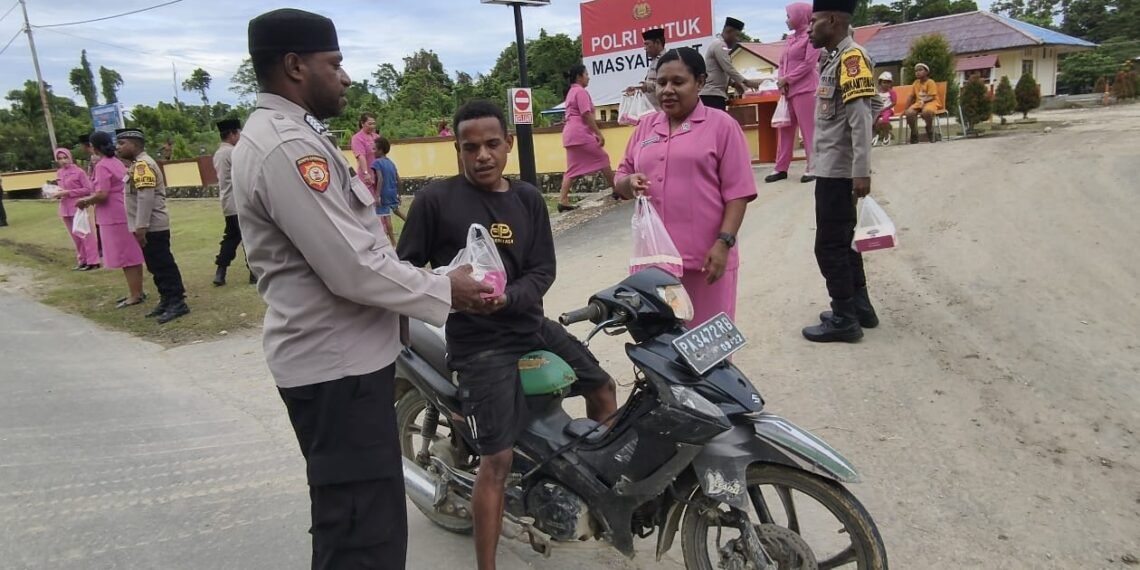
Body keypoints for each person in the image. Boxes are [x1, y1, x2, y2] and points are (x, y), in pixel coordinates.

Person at [232, 10, 490, 569]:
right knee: (360, 537)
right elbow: (354, 269)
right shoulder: (287, 150)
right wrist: (449, 289)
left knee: (357, 521)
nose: (345, 77)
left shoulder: (293, 136)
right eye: (335, 64)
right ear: (295, 66)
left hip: (342, 364)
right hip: (336, 371)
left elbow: (359, 253)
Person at [398, 99, 618, 570]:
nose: (482, 155)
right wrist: (443, 291)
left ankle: (597, 491)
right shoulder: (435, 201)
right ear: (457, 149)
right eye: (470, 147)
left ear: (508, 145)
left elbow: (543, 270)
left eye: (492, 144)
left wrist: (509, 299)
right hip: (479, 345)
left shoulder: (528, 199)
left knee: (603, 389)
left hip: (531, 327)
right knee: (496, 459)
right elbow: (402, 270)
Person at [614, 47, 758, 326]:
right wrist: (628, 183)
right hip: (655, 263)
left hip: (706, 262)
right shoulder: (645, 128)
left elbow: (738, 193)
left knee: (708, 347)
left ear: (700, 83)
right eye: (661, 82)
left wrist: (723, 243)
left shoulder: (722, 126)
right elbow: (621, 176)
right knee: (663, 345)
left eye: (678, 82)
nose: (667, 90)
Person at [801, 0, 880, 343]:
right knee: (845, 242)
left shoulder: (851, 58)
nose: (808, 28)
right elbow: (874, 104)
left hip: (838, 172)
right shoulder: (834, 58)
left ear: (832, 20)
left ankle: (844, 318)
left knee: (829, 245)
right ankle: (860, 307)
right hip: (833, 168)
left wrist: (860, 170)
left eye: (814, 21)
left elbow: (862, 117)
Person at [115, 128, 191, 324]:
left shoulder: (142, 165)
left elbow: (145, 197)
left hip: (152, 226)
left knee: (163, 264)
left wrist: (141, 226)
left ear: (134, 144)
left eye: (122, 143)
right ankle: (166, 299)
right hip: (147, 226)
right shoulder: (136, 165)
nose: (118, 147)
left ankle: (177, 302)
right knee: (155, 266)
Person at [76, 131, 146, 308]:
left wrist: (85, 201)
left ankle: (135, 294)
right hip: (124, 209)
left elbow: (102, 194)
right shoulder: (116, 162)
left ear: (93, 147)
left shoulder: (102, 166)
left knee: (126, 256)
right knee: (133, 255)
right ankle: (137, 290)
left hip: (113, 215)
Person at [768, 2, 822, 184]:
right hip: (788, 91)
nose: (786, 20)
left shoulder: (811, 36)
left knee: (808, 130)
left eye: (789, 16)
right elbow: (782, 62)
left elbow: (809, 64)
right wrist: (781, 80)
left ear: (799, 16)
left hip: (806, 89)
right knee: (784, 129)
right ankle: (781, 167)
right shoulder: (790, 39)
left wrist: (787, 79)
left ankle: (813, 167)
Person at [559, 64, 615, 212]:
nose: (588, 77)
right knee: (603, 158)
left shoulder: (570, 92)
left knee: (572, 169)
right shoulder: (581, 92)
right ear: (579, 76)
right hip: (580, 133)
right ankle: (617, 189)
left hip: (569, 135)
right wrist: (598, 133)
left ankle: (563, 199)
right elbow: (585, 113)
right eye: (586, 74)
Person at [211, 118, 255, 286]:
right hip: (238, 201)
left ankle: (220, 271)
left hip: (228, 202)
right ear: (232, 134)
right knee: (248, 237)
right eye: (239, 133)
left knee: (231, 238)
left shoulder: (219, 153)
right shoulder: (233, 152)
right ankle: (253, 272)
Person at [700, 17, 763, 111]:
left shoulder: (720, 46)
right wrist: (746, 82)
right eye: (736, 35)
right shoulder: (720, 45)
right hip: (712, 96)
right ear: (729, 31)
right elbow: (728, 68)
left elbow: (720, 71)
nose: (737, 39)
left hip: (715, 95)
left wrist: (734, 84)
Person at [53, 148, 100, 271]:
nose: (63, 161)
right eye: (60, 158)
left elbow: (88, 189)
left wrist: (69, 192)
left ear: (70, 157)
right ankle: (82, 260)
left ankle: (93, 261)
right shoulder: (59, 173)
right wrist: (55, 193)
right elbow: (60, 189)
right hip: (65, 208)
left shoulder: (79, 172)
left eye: (65, 157)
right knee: (75, 237)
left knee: (84, 234)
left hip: (78, 206)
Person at [371, 136, 404, 246]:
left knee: (386, 217)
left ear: (380, 150)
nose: (372, 151)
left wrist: (377, 195)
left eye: (374, 149)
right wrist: (399, 194)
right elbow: (399, 180)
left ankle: (393, 243)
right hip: (393, 192)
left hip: (384, 193)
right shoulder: (391, 163)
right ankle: (411, 224)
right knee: (396, 210)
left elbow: (380, 179)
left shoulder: (377, 163)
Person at [623, 28, 666, 111]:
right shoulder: (655, 60)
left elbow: (666, 85)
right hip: (653, 112)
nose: (645, 48)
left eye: (647, 44)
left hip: (662, 112)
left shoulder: (667, 61)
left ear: (657, 42)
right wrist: (637, 90)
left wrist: (646, 87)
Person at [905, 63, 942, 144]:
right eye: (916, 71)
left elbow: (932, 96)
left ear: (926, 72)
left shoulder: (930, 82)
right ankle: (914, 133)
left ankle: (929, 129)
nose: (917, 72)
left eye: (920, 70)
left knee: (927, 112)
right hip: (919, 103)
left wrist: (923, 101)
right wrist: (906, 109)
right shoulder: (915, 83)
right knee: (909, 113)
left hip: (931, 102)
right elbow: (911, 96)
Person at [351, 112, 380, 197]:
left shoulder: (377, 137)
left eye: (374, 124)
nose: (372, 126)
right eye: (369, 124)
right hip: (367, 176)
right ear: (362, 123)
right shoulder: (357, 138)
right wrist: (366, 173)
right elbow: (361, 156)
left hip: (378, 174)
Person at [873, 72, 898, 146]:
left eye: (888, 83)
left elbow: (894, 103)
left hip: (888, 109)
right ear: (880, 83)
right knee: (873, 119)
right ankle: (876, 135)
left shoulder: (891, 92)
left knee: (884, 120)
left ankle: (887, 135)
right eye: (884, 82)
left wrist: (885, 108)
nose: (886, 84)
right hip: (879, 110)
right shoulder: (877, 93)